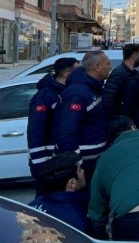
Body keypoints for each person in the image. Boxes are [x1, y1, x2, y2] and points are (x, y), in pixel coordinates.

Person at [54, 51, 112, 186]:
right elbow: (67, 133)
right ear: (97, 66)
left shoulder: (93, 88)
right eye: (108, 64)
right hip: (84, 167)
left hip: (94, 161)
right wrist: (76, 167)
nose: (110, 67)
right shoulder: (77, 93)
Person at [28, 57, 79, 193]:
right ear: (67, 74)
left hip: (60, 158)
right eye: (77, 71)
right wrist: (42, 166)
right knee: (46, 199)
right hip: (48, 162)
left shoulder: (65, 93)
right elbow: (35, 132)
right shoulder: (43, 97)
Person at [29, 152, 89, 233]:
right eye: (79, 170)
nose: (83, 171)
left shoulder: (32, 205)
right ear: (72, 183)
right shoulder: (77, 221)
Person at [103, 43, 139, 118]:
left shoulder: (133, 73)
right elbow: (109, 99)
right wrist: (118, 119)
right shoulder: (119, 73)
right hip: (122, 120)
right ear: (135, 57)